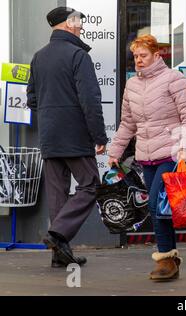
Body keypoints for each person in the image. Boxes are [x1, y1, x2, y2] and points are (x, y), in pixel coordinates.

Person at [108, 34, 186, 281]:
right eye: (135, 56)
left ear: (157, 55)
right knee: (161, 208)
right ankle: (169, 260)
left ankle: (166, 258)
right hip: (146, 156)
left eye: (143, 55)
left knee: (156, 204)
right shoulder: (132, 85)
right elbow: (128, 123)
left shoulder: (174, 79)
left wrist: (185, 150)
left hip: (171, 154)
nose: (138, 60)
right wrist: (115, 152)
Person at [27, 7, 108, 267]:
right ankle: (57, 233)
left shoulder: (39, 57)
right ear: (68, 24)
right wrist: (99, 135)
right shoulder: (77, 55)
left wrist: (52, 116)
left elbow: (32, 99)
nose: (81, 26)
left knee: (57, 194)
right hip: (75, 135)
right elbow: (90, 100)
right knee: (90, 184)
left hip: (50, 135)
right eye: (78, 22)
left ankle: (59, 256)